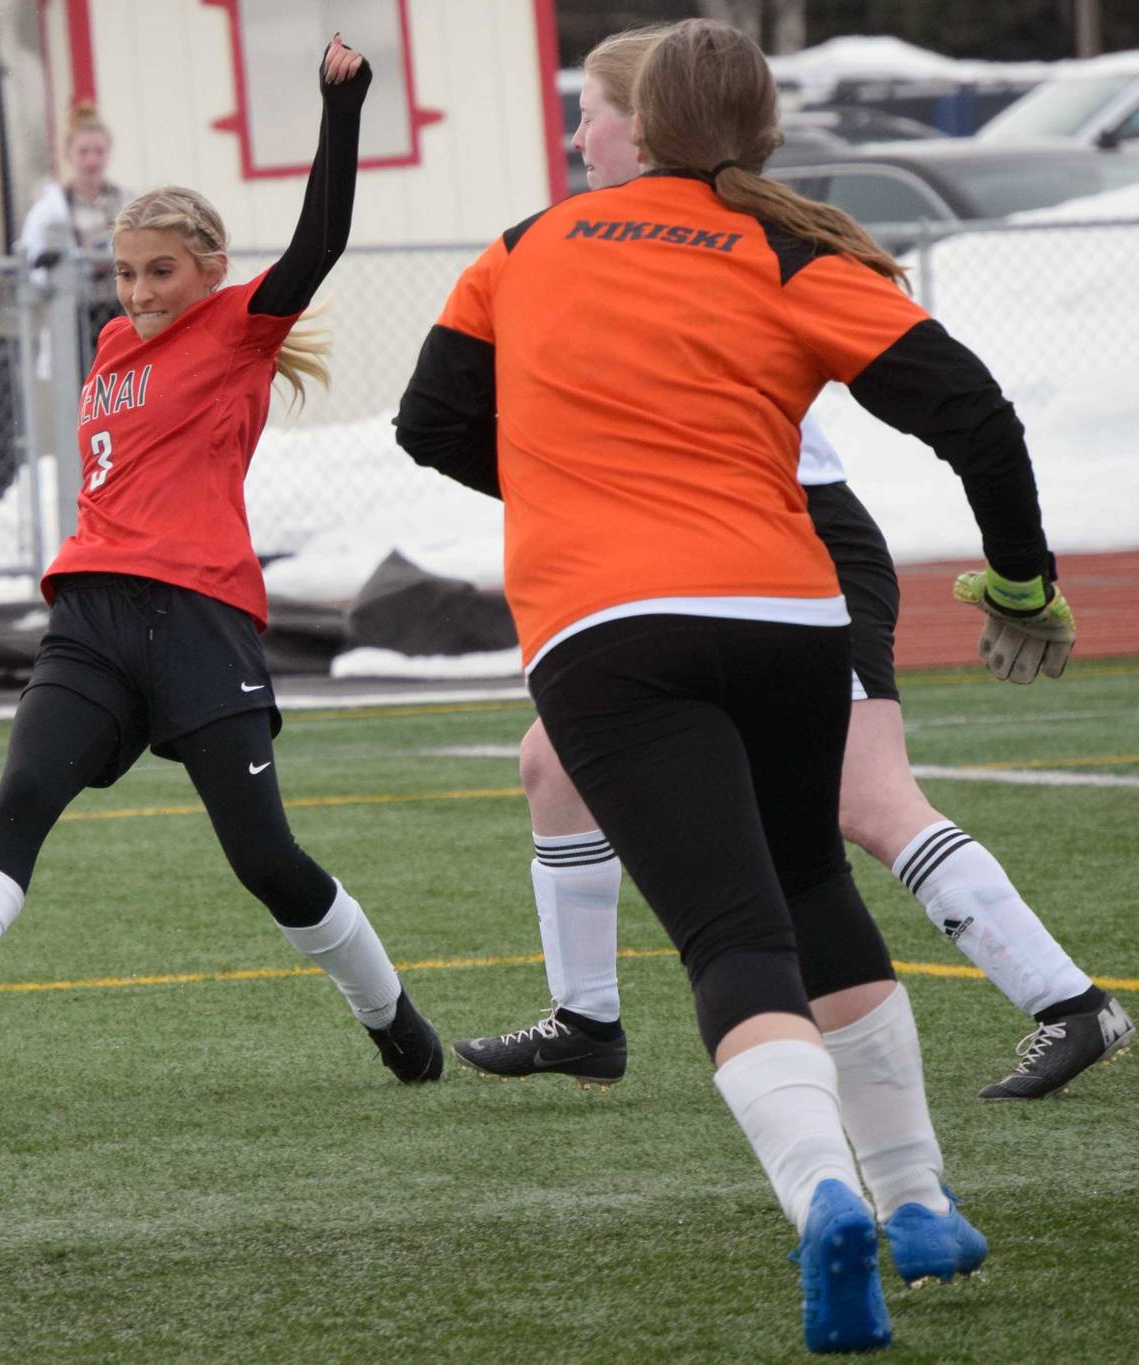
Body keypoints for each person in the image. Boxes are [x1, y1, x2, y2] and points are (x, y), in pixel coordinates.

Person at [395, 18, 1079, 1352]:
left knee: (733, 937)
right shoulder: (785, 245)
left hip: (607, 626)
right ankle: (921, 1201)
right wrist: (1020, 581)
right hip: (785, 615)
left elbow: (430, 422)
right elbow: (974, 412)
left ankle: (826, 1199)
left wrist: (563, 480)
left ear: (637, 126)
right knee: (815, 892)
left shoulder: (528, 246)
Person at [459, 27, 1129, 1102]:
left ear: (653, 126)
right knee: (552, 765)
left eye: (593, 111)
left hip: (792, 544)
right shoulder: (574, 242)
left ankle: (1068, 1004)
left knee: (862, 803)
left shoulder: (723, 237)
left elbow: (963, 407)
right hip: (695, 559)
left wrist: (1021, 581)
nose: (578, 135)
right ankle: (586, 1017)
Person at [0, 36, 444, 1084]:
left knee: (265, 862)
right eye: (125, 273)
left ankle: (391, 1019)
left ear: (209, 273)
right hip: (90, 618)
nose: (137, 291)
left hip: (196, 619)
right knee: (16, 802)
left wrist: (342, 108)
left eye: (159, 272)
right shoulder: (107, 349)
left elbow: (319, 240)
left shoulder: (238, 328)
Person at [19, 101, 129, 371]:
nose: (91, 160)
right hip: (77, 313)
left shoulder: (124, 201)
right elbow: (33, 260)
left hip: (120, 309)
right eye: (83, 152)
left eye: (98, 152)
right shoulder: (52, 209)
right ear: (69, 155)